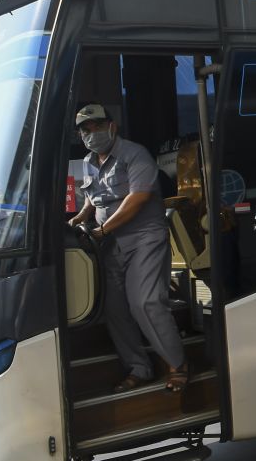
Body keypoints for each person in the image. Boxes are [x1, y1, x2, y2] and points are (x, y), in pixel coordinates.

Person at [67, 104, 188, 393]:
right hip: (109, 245)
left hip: (143, 239)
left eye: (96, 126)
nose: (91, 133)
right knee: (115, 309)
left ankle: (178, 364)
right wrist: (80, 218)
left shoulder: (135, 154)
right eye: (85, 129)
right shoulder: (87, 161)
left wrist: (103, 229)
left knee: (145, 302)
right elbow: (91, 198)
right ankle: (139, 368)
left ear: (112, 126)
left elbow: (138, 197)